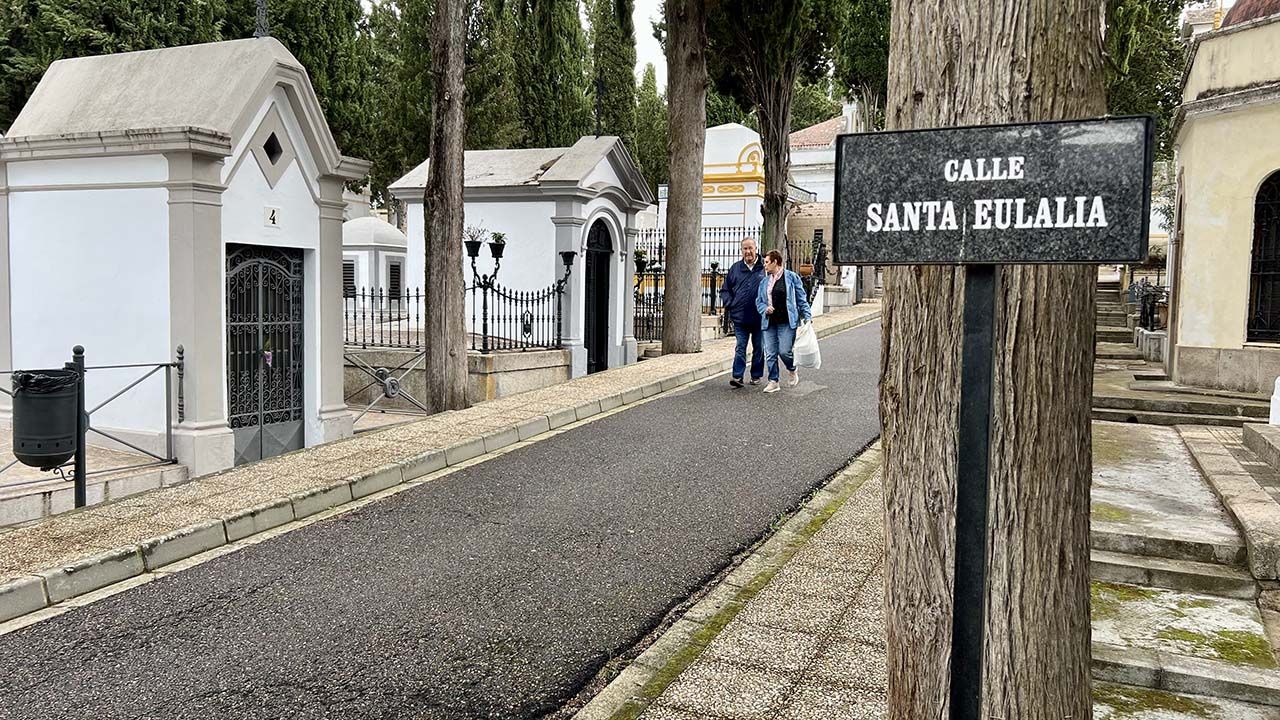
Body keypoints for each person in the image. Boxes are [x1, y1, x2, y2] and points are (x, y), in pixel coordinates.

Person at [755, 249, 812, 394]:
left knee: (785, 351)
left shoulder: (792, 278)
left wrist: (807, 316)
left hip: (787, 321)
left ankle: (792, 369)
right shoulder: (764, 282)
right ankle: (773, 381)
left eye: (767, 262)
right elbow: (759, 301)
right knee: (770, 353)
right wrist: (765, 309)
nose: (765, 265)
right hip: (769, 322)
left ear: (775, 262)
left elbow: (801, 298)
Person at [718, 237, 765, 388]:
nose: (748, 251)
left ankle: (756, 375)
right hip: (740, 317)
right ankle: (737, 376)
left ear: (756, 249)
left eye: (750, 248)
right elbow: (725, 290)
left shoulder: (764, 267)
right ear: (741, 250)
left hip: (759, 317)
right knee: (740, 347)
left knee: (759, 348)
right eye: (745, 249)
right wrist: (730, 304)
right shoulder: (735, 268)